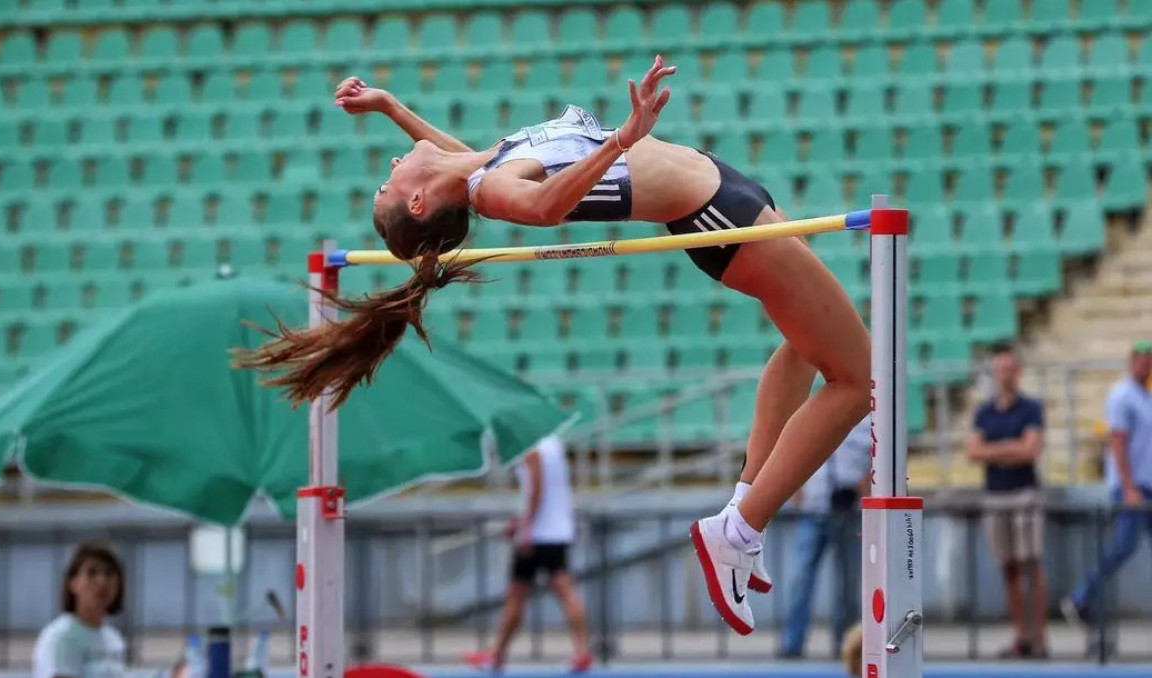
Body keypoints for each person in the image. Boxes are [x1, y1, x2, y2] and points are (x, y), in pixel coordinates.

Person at [234, 55, 872, 635]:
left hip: (723, 188)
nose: (392, 167)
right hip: (716, 216)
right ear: (421, 201)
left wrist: (391, 106)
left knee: (804, 344)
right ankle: (737, 528)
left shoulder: (479, 168)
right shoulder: (493, 186)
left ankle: (742, 506)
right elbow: (539, 207)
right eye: (388, 185)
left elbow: (451, 158)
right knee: (858, 382)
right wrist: (624, 137)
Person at [463, 435, 590, 672]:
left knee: (518, 594)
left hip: (539, 534)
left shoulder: (532, 448)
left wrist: (526, 528)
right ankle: (581, 651)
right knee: (562, 591)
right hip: (555, 531)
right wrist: (521, 523)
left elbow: (537, 489)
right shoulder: (553, 444)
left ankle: (497, 654)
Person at [1061, 341, 1152, 631]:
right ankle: (1080, 596)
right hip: (1133, 485)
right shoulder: (1122, 395)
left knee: (1126, 544)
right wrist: (1128, 486)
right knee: (1123, 545)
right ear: (1132, 361)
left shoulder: (1144, 396)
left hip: (1146, 483)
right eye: (1142, 359)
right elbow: (1118, 442)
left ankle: (1082, 595)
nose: (1146, 365)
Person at [966, 344, 1048, 659]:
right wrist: (1010, 448)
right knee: (1009, 568)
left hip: (1024, 493)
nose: (1005, 375)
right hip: (995, 495)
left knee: (1032, 565)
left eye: (1010, 369)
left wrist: (994, 451)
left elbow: (1030, 450)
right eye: (1000, 369)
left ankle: (1040, 637)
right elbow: (974, 452)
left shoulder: (1031, 408)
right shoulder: (984, 412)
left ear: (1018, 372)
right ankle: (1021, 635)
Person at [779, 415, 871, 659]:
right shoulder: (812, 411)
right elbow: (792, 451)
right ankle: (792, 643)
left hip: (849, 509)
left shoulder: (869, 417)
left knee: (848, 582)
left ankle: (846, 645)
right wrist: (794, 488)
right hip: (814, 508)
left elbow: (882, 461)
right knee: (800, 578)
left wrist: (861, 488)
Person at [33, 541, 127, 678]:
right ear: (73, 583)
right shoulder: (62, 637)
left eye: (109, 573)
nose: (102, 581)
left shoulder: (113, 639)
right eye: (92, 573)